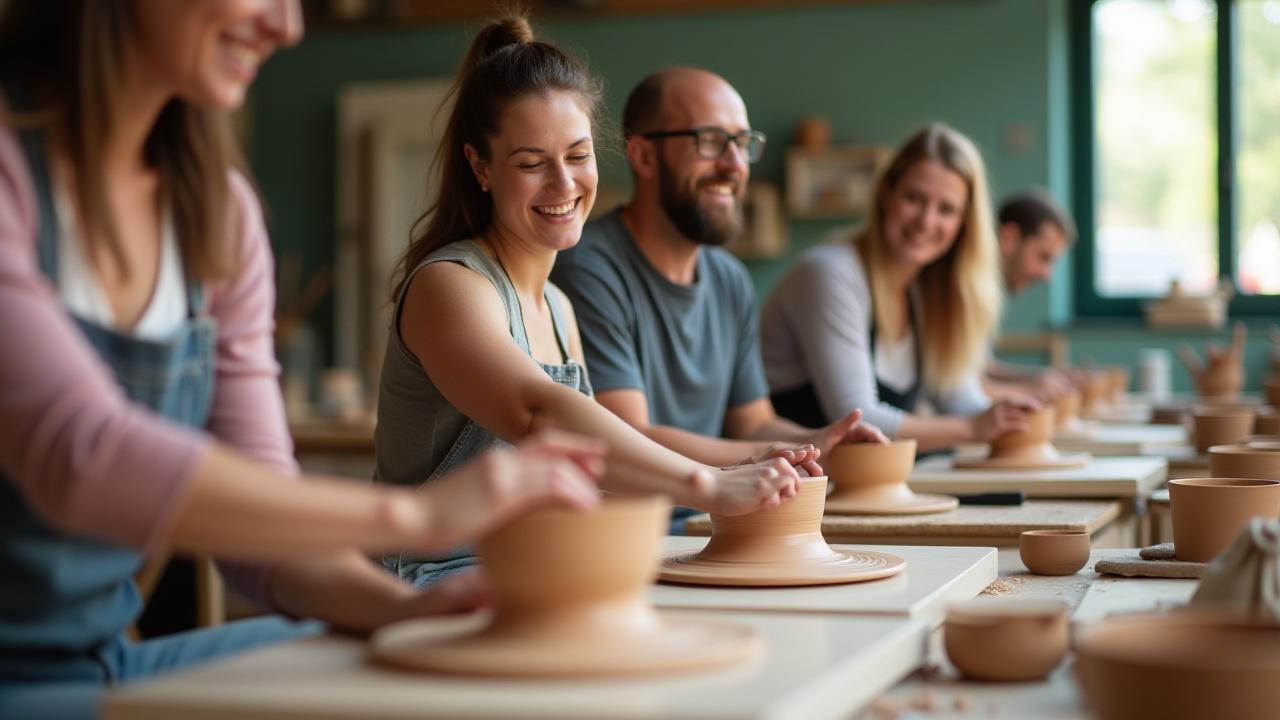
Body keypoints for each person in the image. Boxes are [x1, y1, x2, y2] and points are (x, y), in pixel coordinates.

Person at [0, 3, 602, 718]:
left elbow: (263, 540)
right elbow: (81, 456)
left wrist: (401, 613)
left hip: (102, 662)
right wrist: (416, 516)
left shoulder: (217, 214)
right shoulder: (13, 176)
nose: (286, 26)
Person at [375, 19, 806, 586]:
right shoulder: (451, 285)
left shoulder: (558, 307)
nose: (563, 185)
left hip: (531, 565)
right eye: (532, 163)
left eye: (578, 156)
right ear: (480, 167)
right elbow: (538, 414)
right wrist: (709, 482)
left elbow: (591, 472)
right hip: (430, 576)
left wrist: (745, 465)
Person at [549, 68, 885, 530]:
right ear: (644, 156)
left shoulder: (730, 279)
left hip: (707, 522)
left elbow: (754, 424)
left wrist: (821, 441)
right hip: (625, 535)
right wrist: (769, 453)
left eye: (742, 143)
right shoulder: (587, 269)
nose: (734, 165)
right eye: (710, 141)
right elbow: (630, 436)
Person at [760, 124, 1036, 454]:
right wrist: (972, 428)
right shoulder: (830, 272)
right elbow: (856, 418)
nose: (926, 221)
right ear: (885, 194)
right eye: (914, 198)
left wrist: (1018, 413)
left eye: (946, 209)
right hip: (792, 482)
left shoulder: (925, 291)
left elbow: (958, 398)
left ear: (964, 224)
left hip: (860, 480)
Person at [984, 189, 1079, 401]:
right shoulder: (965, 291)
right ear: (1009, 238)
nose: (1047, 275)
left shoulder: (988, 294)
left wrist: (1043, 378)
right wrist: (1028, 390)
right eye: (1043, 257)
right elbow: (953, 391)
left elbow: (981, 369)